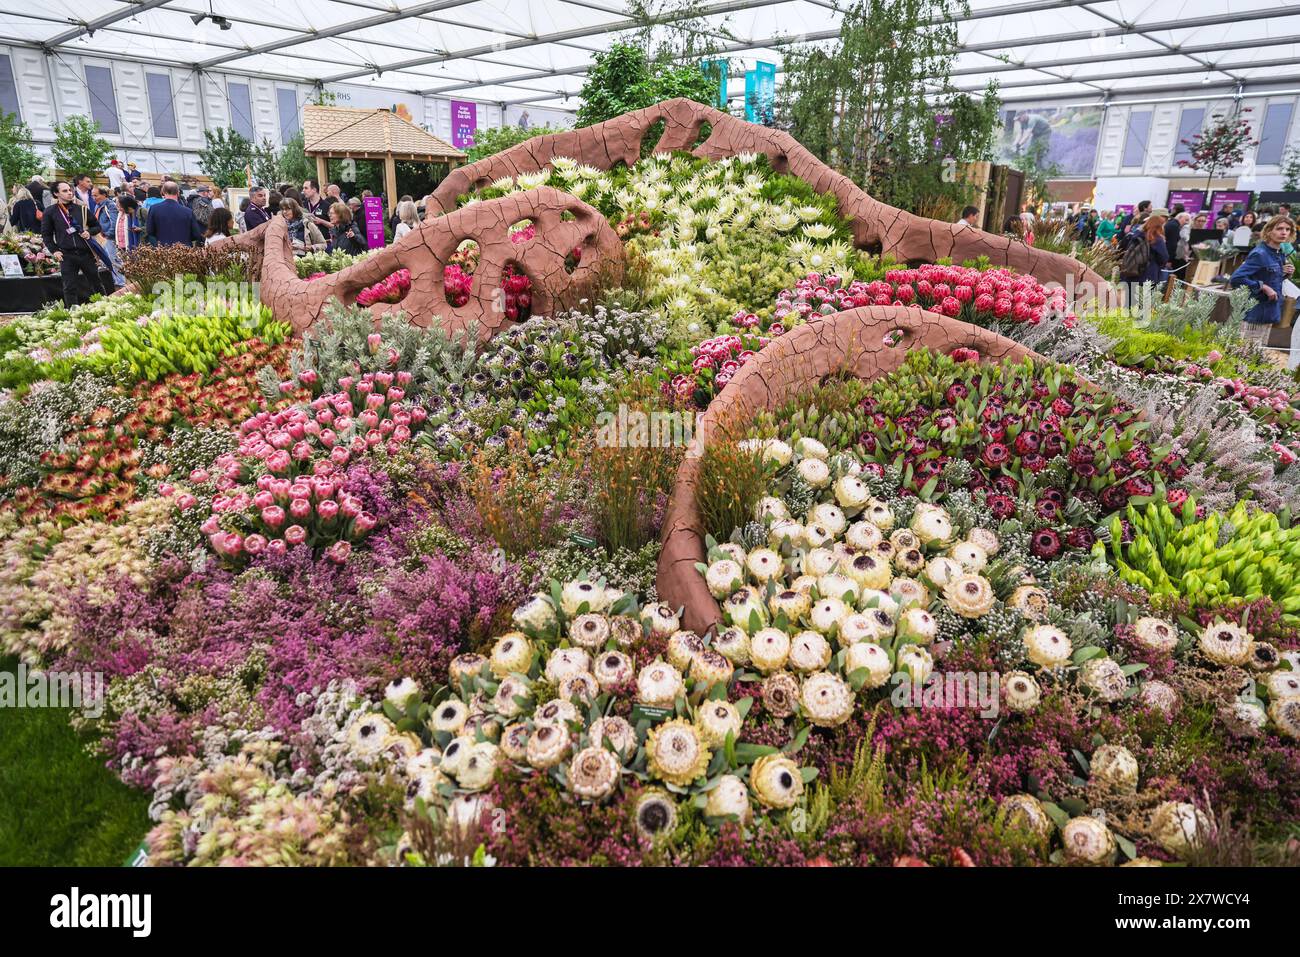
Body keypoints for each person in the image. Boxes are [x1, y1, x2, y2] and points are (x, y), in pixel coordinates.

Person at [1231, 214, 1296, 345]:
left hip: (1269, 309)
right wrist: (1264, 287)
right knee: (1245, 350)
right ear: (1269, 230)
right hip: (1256, 311)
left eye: (1287, 229)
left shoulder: (1278, 252)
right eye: (1279, 228)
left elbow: (1267, 276)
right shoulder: (1260, 253)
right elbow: (1236, 278)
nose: (1284, 232)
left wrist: (1285, 273)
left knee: (1257, 350)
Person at [41, 180, 104, 306]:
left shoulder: (81, 209)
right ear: (56, 193)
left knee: (96, 283)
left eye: (70, 190)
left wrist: (89, 232)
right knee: (69, 287)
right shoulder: (50, 212)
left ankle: (104, 306)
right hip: (66, 255)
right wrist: (55, 250)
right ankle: (72, 314)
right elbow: (46, 235)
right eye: (65, 191)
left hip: (85, 253)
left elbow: (97, 226)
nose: (70, 193)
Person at [145, 181, 203, 246]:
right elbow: (196, 234)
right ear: (178, 192)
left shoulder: (154, 209)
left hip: (163, 249)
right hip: (184, 249)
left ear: (163, 192)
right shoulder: (188, 212)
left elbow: (150, 231)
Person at [91, 185, 124, 288]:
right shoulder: (98, 206)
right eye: (92, 196)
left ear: (104, 195)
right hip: (101, 237)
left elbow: (114, 222)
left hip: (109, 238)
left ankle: (121, 282)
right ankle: (113, 280)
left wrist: (108, 235)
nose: (94, 198)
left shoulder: (110, 205)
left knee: (114, 259)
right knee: (106, 260)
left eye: (96, 195)